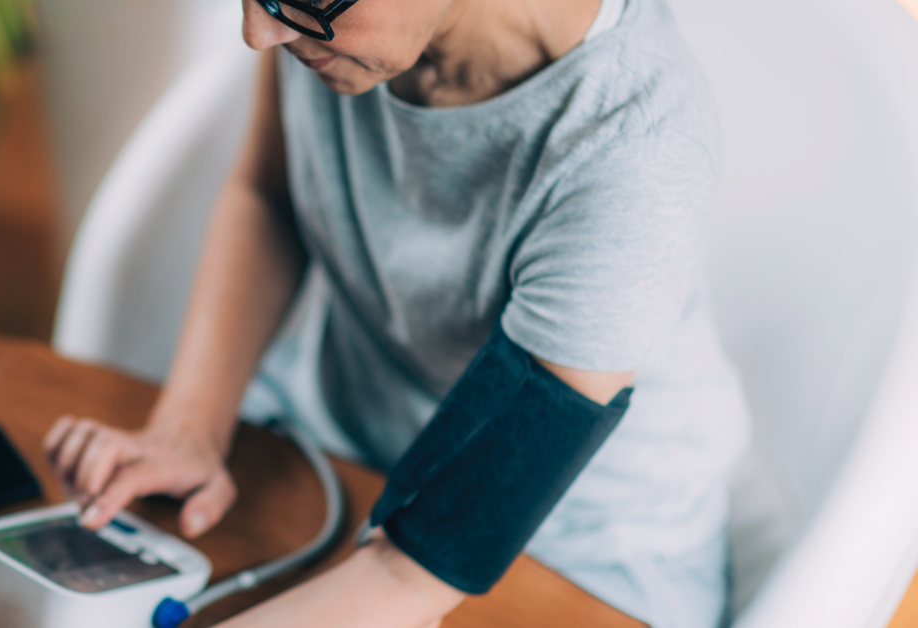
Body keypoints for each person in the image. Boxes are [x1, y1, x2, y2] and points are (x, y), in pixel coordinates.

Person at [43, 0, 752, 624]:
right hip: (345, 448)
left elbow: (419, 568)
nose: (258, 34)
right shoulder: (323, 25)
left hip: (575, 542)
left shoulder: (638, 149)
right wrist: (188, 426)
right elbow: (269, 194)